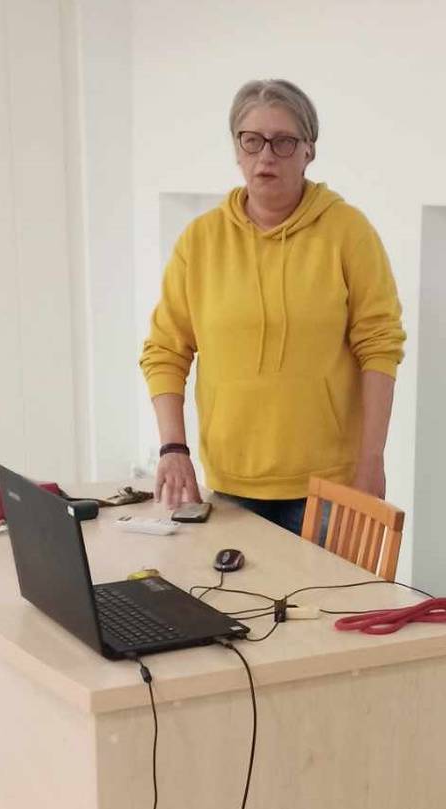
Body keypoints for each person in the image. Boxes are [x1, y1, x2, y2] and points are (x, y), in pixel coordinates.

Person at [139, 79, 406, 536]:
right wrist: (173, 447)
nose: (266, 156)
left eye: (284, 142)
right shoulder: (200, 241)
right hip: (230, 483)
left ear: (308, 151)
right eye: (253, 140)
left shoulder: (348, 232)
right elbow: (165, 350)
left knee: (324, 587)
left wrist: (371, 462)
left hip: (329, 487)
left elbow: (380, 346)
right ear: (237, 149)